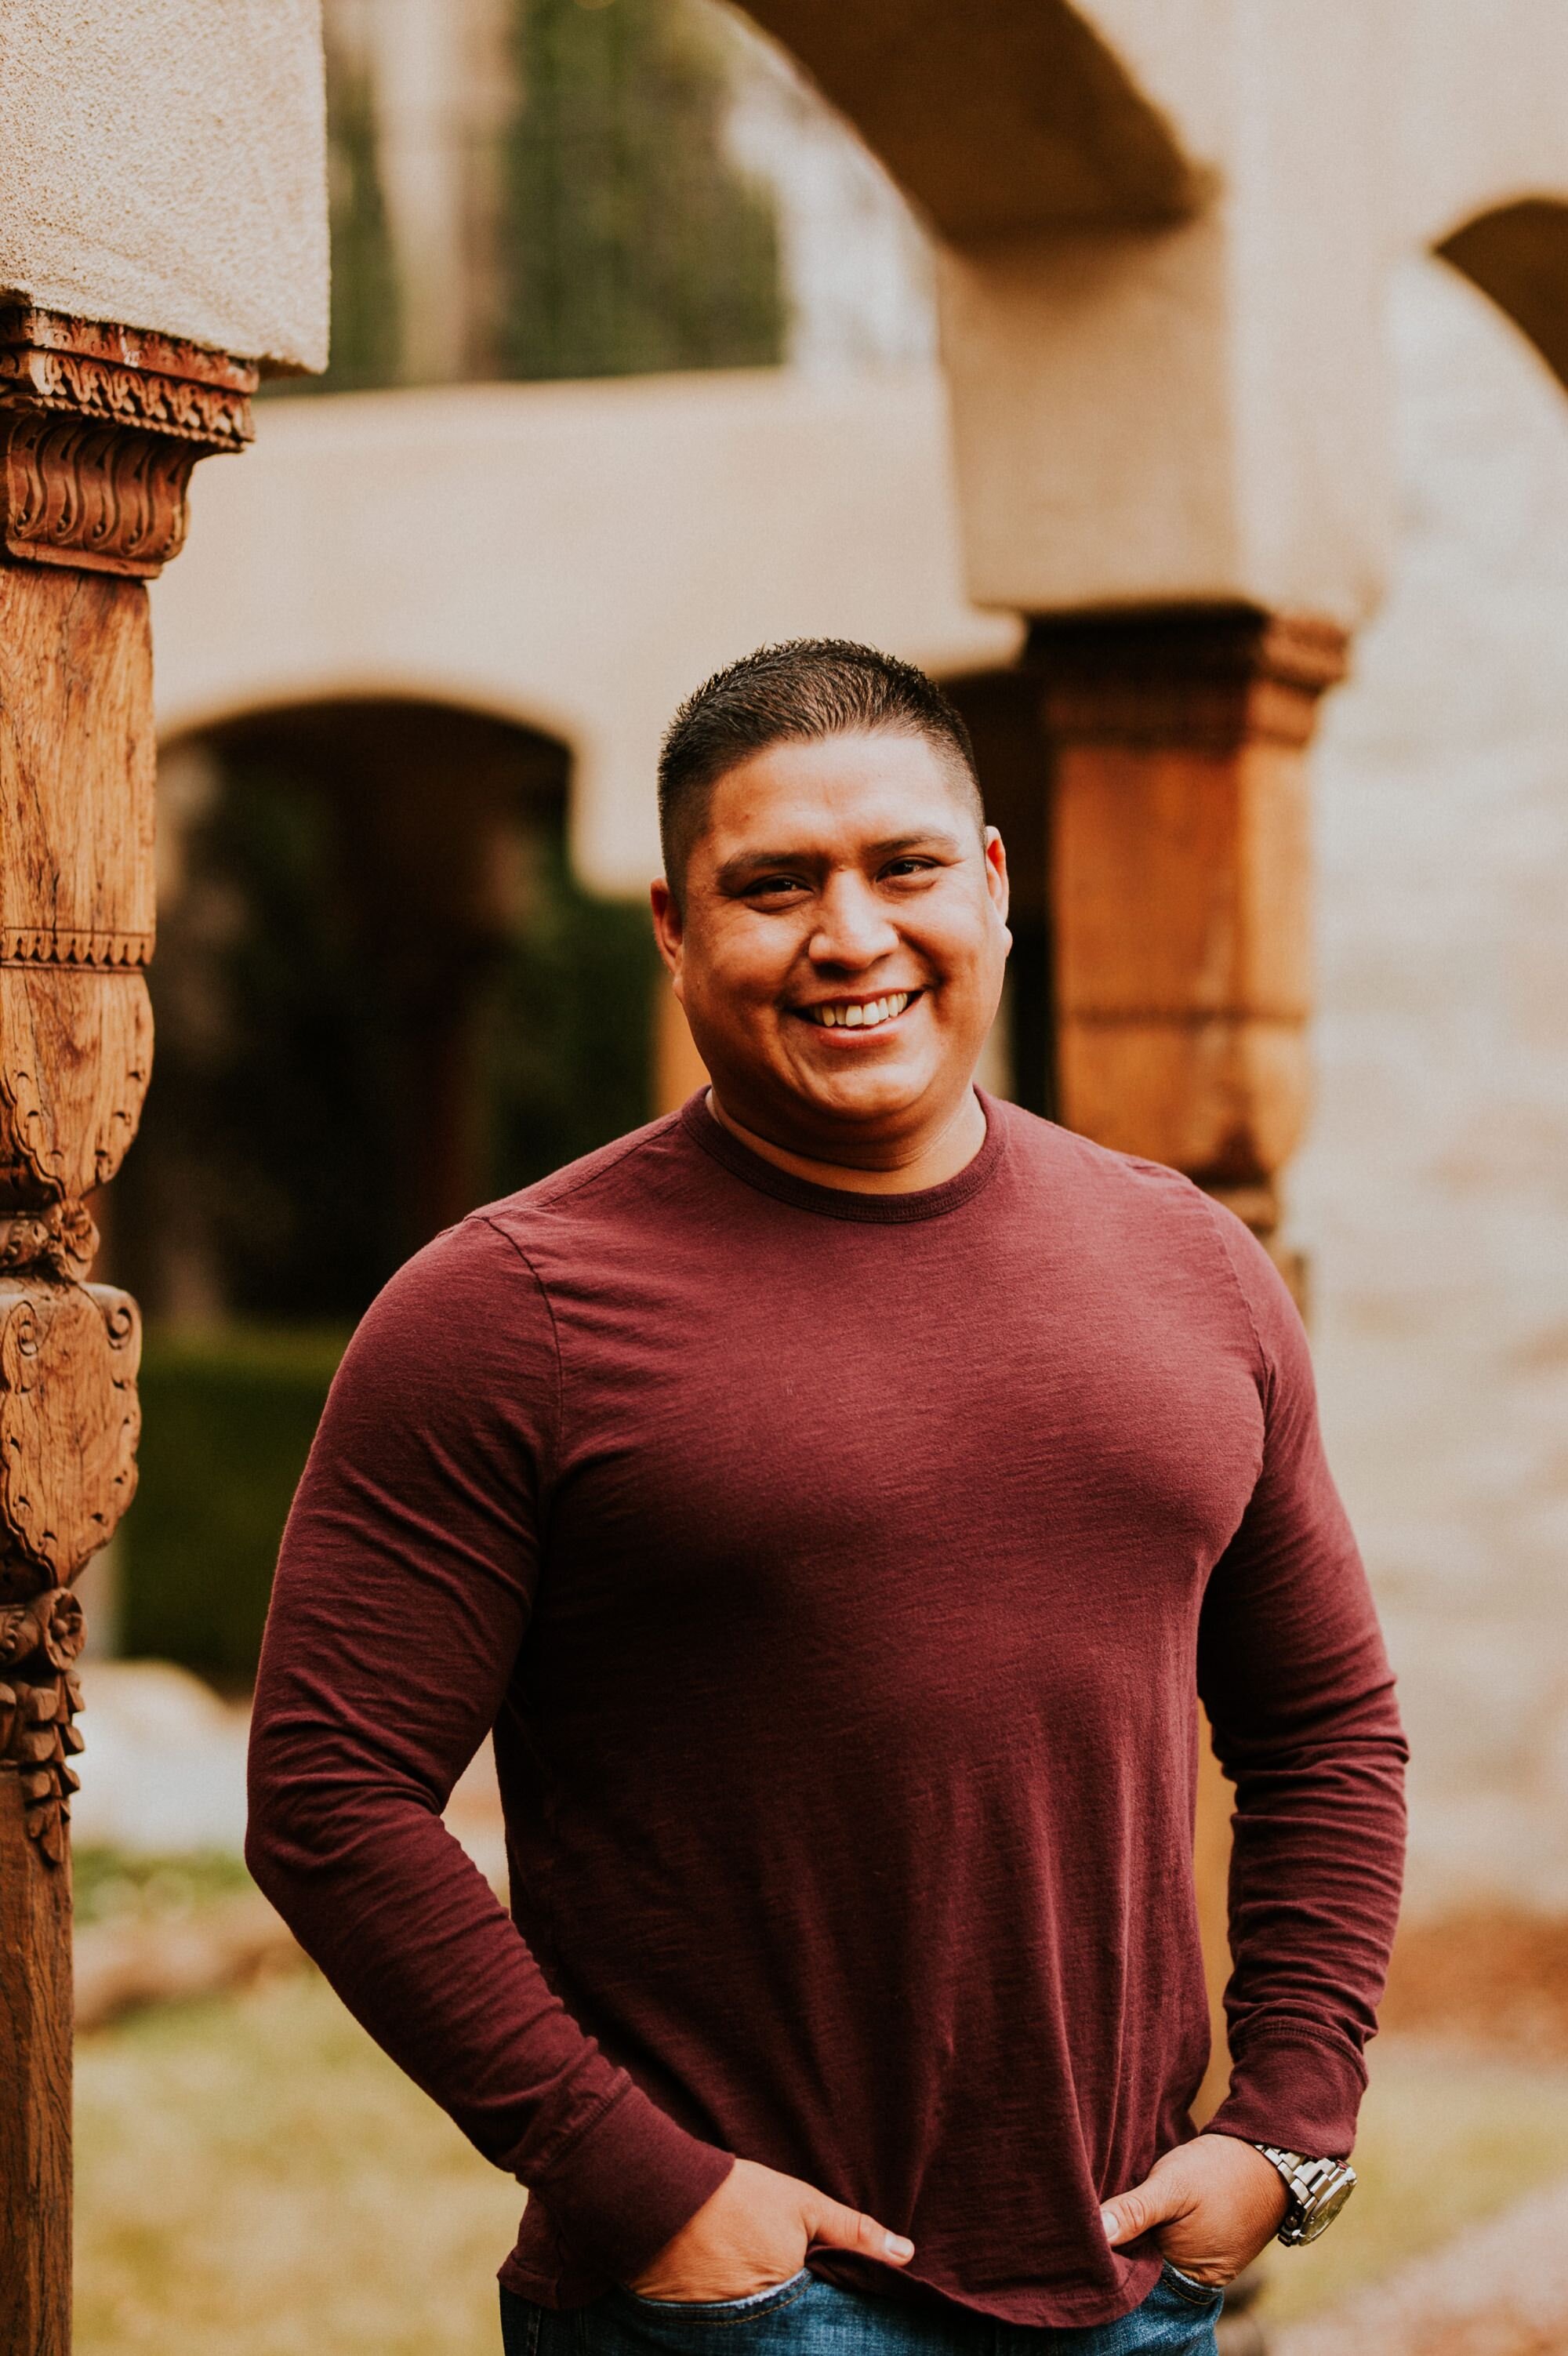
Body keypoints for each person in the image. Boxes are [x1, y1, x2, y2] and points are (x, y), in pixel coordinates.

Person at [247, 640, 1406, 2356]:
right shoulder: (510, 1312)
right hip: (737, 2314)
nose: (850, 937)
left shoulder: (1190, 1269)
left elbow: (1322, 1726)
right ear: (672, 926)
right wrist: (636, 2181)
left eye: (904, 867)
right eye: (772, 885)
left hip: (1134, 2289)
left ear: (993, 883)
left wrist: (1290, 2123)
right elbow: (332, 1796)